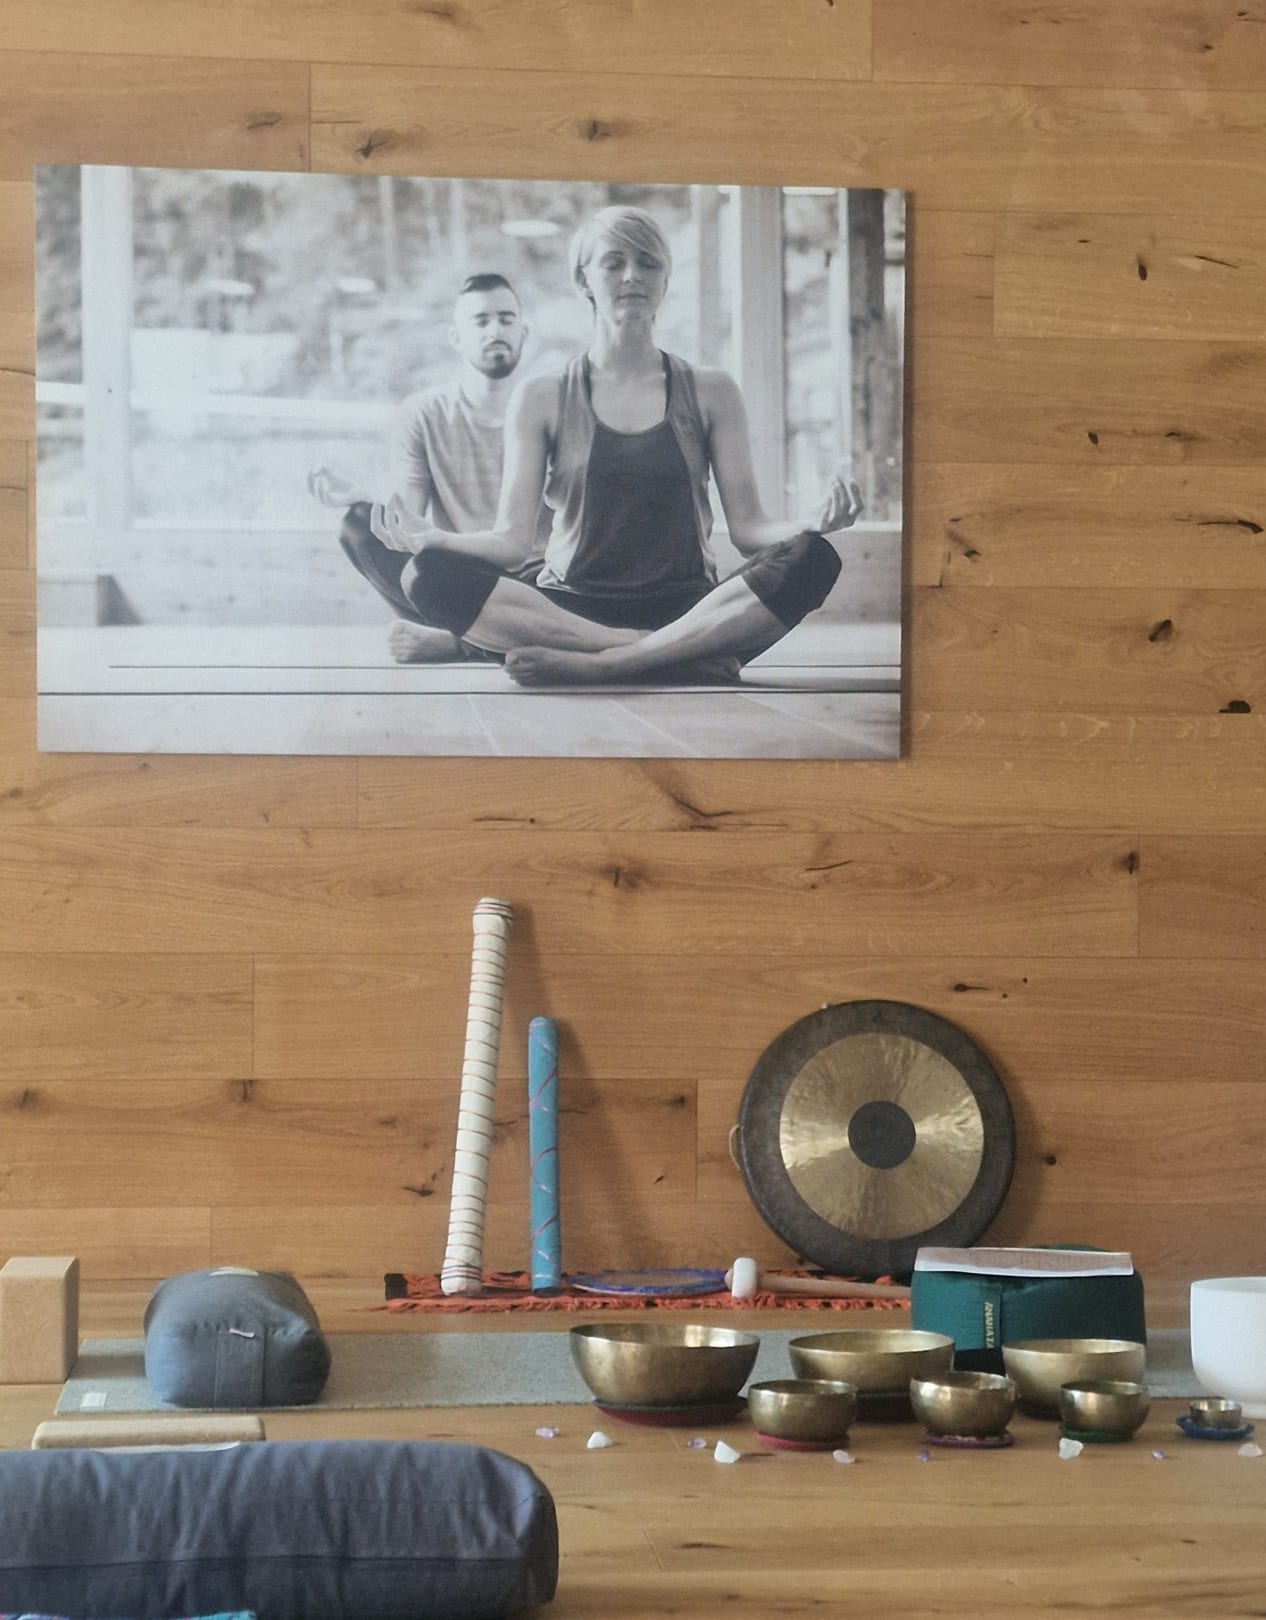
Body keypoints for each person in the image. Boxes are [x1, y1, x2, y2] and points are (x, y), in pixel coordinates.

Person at [371, 205, 864, 686]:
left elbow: (750, 531)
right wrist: (435, 539)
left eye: (648, 263)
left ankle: (605, 664)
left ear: (665, 282)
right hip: (574, 607)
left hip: (686, 605)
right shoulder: (542, 396)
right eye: (613, 263)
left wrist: (811, 523)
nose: (632, 275)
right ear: (583, 281)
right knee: (427, 575)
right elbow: (512, 543)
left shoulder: (712, 391)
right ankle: (665, 656)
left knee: (814, 558)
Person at [308, 272, 547, 663]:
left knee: (569, 589)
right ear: (456, 337)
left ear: (524, 332)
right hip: (452, 572)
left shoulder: (548, 408)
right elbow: (407, 522)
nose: (495, 331)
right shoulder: (423, 413)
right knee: (358, 525)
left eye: (506, 319)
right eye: (481, 321)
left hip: (533, 582)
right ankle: (472, 635)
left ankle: (459, 642)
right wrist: (362, 495)